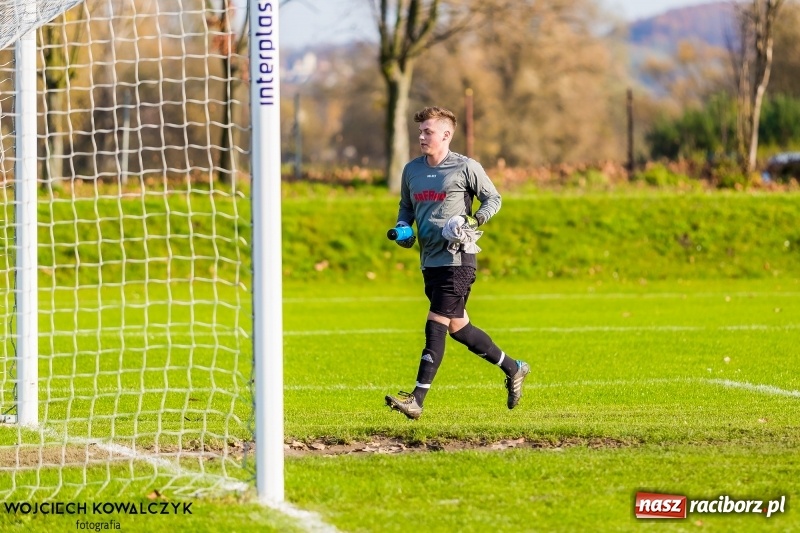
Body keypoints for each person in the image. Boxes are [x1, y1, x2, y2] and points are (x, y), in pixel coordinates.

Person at [385, 106, 529, 420]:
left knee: (435, 323)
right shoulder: (411, 170)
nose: (421, 136)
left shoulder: (466, 167)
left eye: (428, 132)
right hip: (430, 262)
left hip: (457, 259)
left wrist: (474, 219)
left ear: (446, 135)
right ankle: (514, 367)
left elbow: (494, 198)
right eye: (420, 131)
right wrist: (404, 231)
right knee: (459, 327)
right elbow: (405, 208)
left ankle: (417, 400)